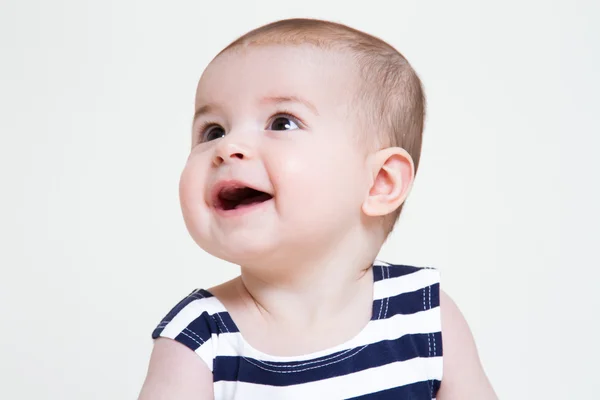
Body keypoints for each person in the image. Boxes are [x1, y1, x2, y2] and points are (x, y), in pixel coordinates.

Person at [138, 18, 496, 400]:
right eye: (213, 131)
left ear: (380, 183)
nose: (227, 148)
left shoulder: (425, 317)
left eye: (282, 122)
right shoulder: (199, 339)